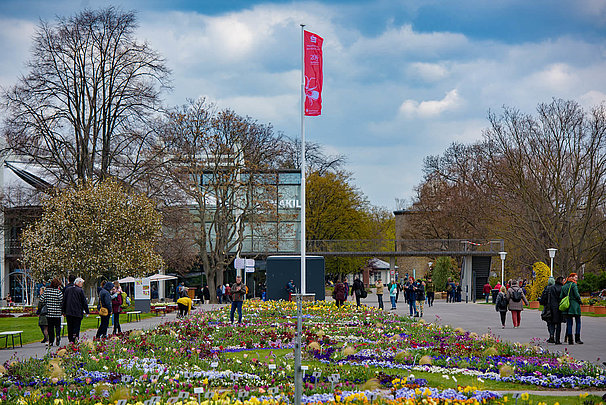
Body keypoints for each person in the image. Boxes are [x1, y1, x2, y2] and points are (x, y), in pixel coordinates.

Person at [62, 277, 89, 343]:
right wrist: (87, 311)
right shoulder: (80, 291)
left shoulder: (67, 290)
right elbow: (84, 302)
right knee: (76, 326)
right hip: (77, 312)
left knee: (70, 326)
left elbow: (64, 301)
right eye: (82, 283)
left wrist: (63, 311)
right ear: (79, 283)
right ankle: (75, 338)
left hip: (69, 312)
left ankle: (70, 339)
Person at [540, 276, 564, 344]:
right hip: (558, 307)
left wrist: (543, 302)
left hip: (549, 307)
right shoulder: (560, 288)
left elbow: (543, 297)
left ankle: (551, 334)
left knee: (550, 322)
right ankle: (557, 338)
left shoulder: (548, 288)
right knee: (558, 323)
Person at [561, 272, 583, 345]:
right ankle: (577, 338)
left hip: (567, 306)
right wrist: (580, 301)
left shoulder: (564, 286)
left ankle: (570, 339)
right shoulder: (573, 285)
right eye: (575, 277)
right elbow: (577, 295)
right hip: (574, 305)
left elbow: (561, 296)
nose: (576, 279)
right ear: (572, 277)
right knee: (578, 322)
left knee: (569, 323)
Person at [41, 278, 63, 347]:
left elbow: (42, 299)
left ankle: (51, 341)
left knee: (50, 327)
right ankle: (58, 335)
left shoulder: (47, 291)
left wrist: (47, 303)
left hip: (49, 313)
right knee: (57, 326)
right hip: (57, 313)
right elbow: (62, 301)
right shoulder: (58, 292)